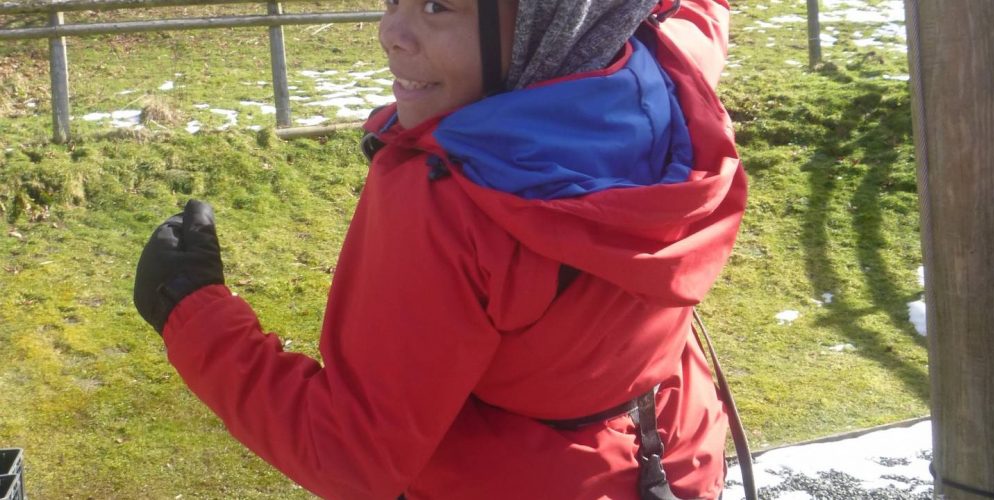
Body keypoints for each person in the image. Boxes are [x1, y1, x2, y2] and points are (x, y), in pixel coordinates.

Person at [133, 0, 745, 498]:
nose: (389, 33)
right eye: (393, 0)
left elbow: (349, 453)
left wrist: (191, 308)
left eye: (436, 7)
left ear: (547, 22)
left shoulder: (454, 202)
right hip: (678, 455)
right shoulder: (670, 71)